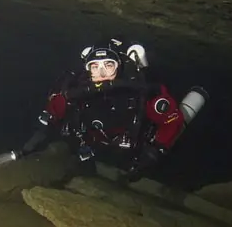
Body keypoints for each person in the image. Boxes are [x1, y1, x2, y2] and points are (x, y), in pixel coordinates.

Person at [15, 37, 207, 181]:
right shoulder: (75, 91)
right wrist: (37, 137)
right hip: (91, 143)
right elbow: (54, 110)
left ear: (119, 67)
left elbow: (171, 122)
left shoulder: (139, 93)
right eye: (94, 66)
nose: (102, 73)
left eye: (109, 65)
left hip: (133, 148)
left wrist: (154, 152)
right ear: (87, 69)